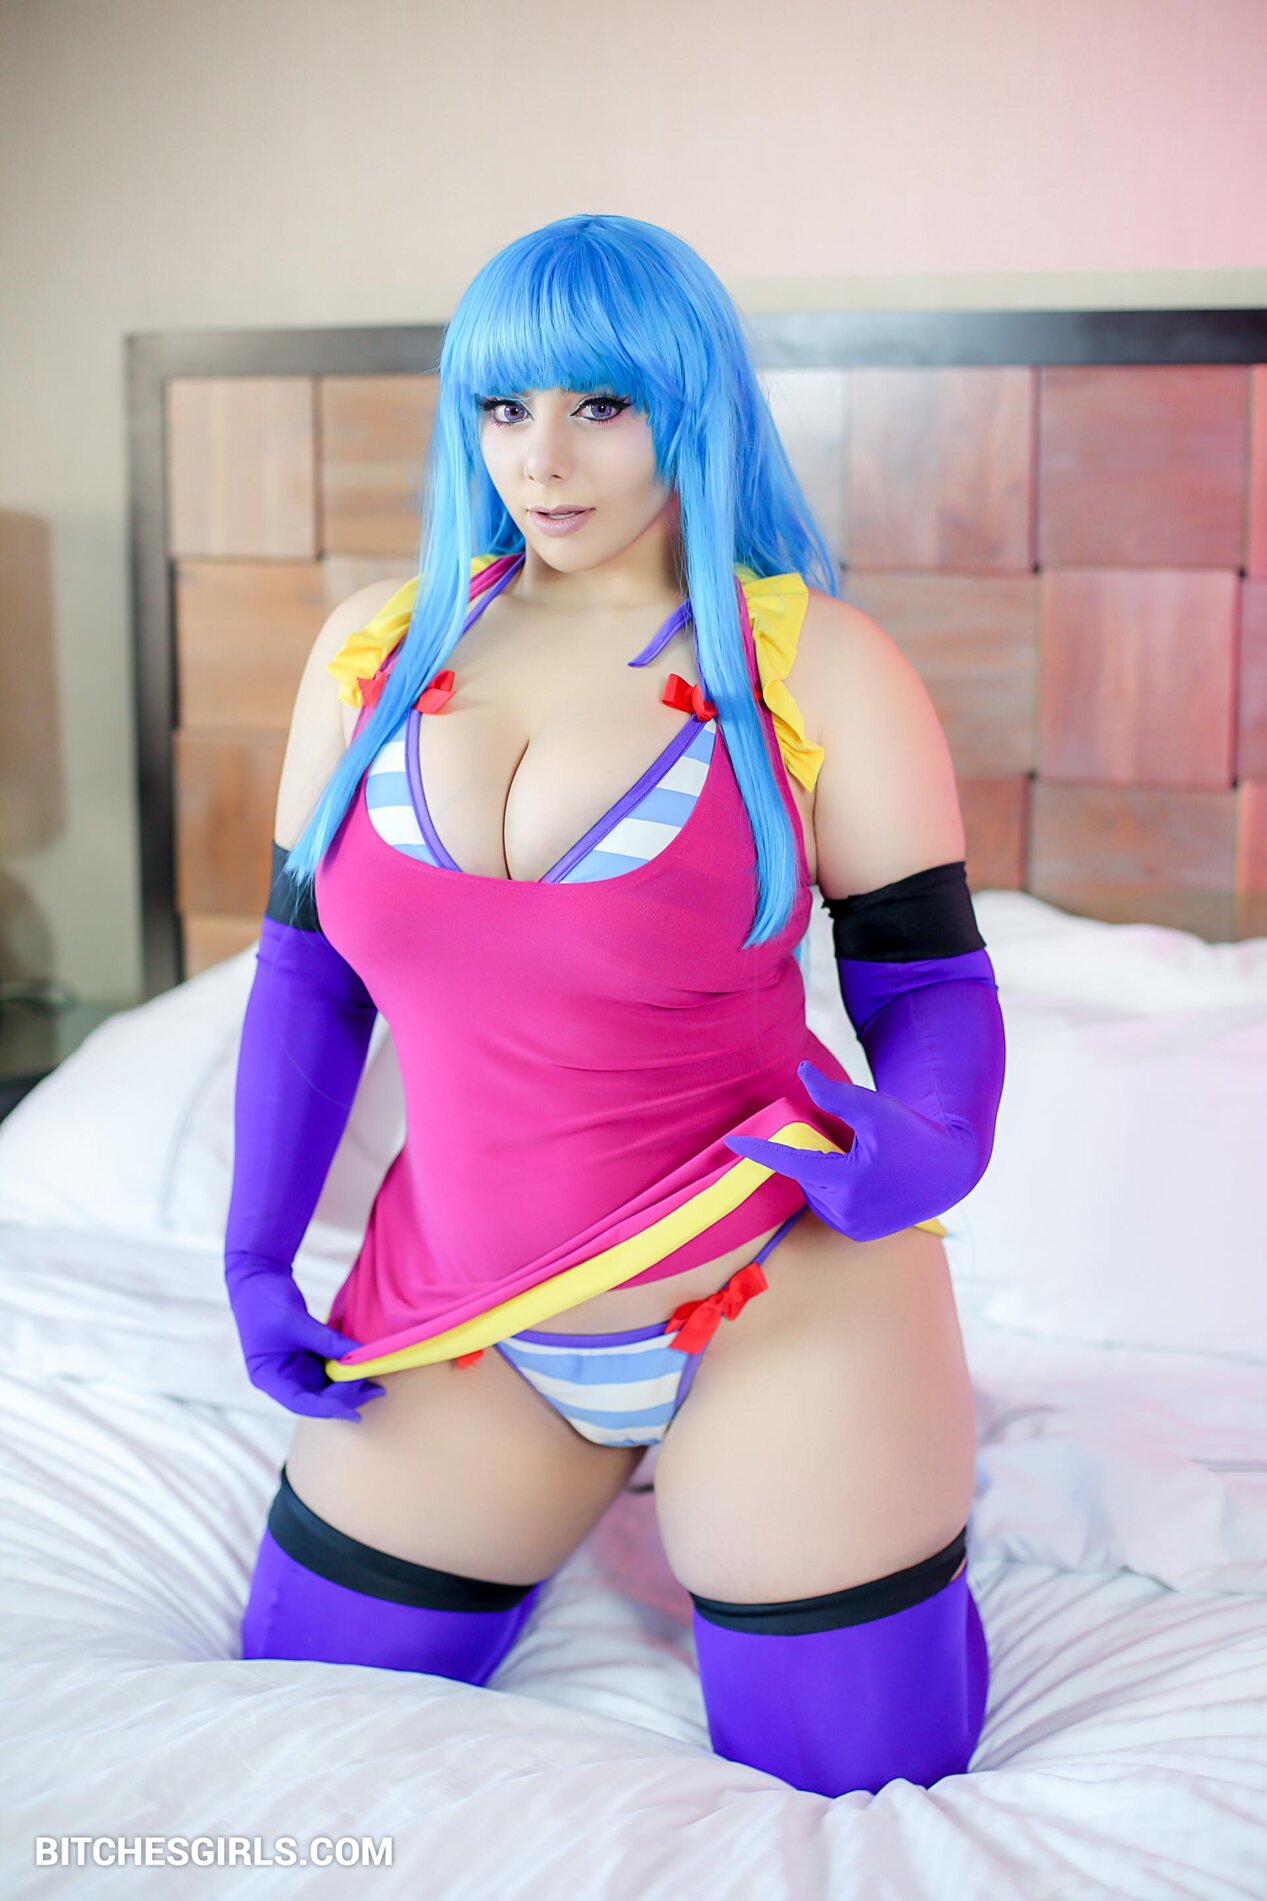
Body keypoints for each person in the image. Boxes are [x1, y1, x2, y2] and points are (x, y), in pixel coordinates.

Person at [227, 213, 1005, 1800]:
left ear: (689, 404)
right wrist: (253, 1251)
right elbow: (306, 979)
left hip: (778, 1285)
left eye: (600, 404)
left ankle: (882, 1509)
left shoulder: (815, 663)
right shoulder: (373, 653)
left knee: (855, 1772)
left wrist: (939, 1138)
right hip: (465, 1304)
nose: (543, 457)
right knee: (299, 1724)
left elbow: (926, 978)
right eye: (503, 407)